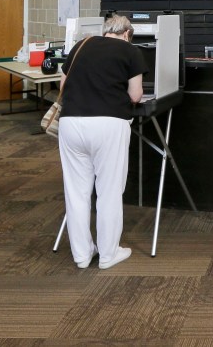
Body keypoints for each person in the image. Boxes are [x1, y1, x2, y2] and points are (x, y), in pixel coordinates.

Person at [58, 14, 147, 270]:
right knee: (108, 191)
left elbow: (63, 84)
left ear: (105, 30)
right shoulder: (130, 51)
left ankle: (82, 255)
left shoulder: (82, 45)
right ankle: (108, 254)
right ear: (127, 33)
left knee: (76, 192)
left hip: (71, 123)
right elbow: (135, 95)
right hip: (109, 124)